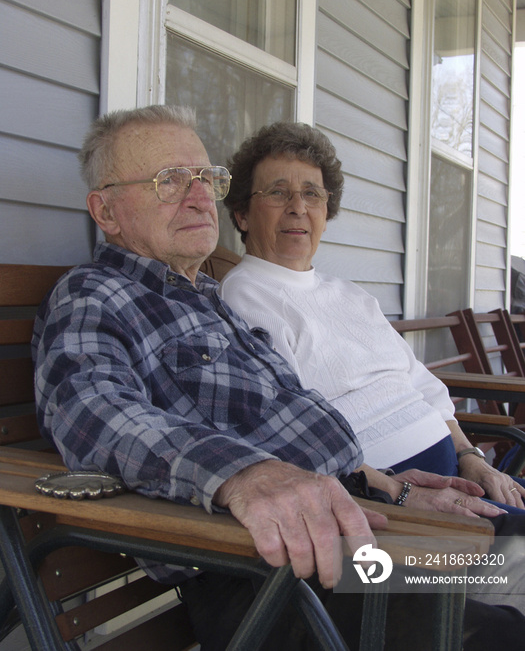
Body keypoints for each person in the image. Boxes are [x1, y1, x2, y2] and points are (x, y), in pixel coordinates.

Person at [31, 106, 525, 651]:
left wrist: (392, 487)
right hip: (277, 572)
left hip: (359, 525)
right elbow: (90, 410)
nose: (198, 196)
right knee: (502, 631)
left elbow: (291, 428)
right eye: (169, 180)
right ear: (107, 211)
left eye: (205, 179)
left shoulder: (211, 305)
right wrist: (245, 474)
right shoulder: (94, 295)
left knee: (515, 559)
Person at [219, 120, 525, 514]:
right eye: (278, 192)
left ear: (326, 212)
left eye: (312, 194)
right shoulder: (247, 295)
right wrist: (395, 493)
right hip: (393, 502)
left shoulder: (349, 294)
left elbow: (418, 381)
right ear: (242, 214)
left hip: (456, 473)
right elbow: (292, 427)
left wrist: (472, 458)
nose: (298, 206)